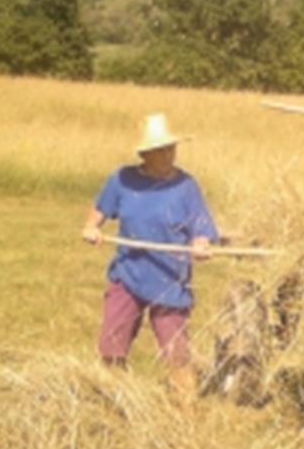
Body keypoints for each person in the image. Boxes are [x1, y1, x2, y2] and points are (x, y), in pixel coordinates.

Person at [81, 112, 218, 403]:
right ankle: (114, 402)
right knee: (111, 347)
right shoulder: (123, 180)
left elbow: (201, 228)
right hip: (129, 273)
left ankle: (187, 413)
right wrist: (92, 227)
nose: (168, 154)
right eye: (160, 150)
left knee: (177, 354)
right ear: (145, 153)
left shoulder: (186, 187)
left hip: (169, 279)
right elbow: (100, 209)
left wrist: (201, 244)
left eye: (171, 148)